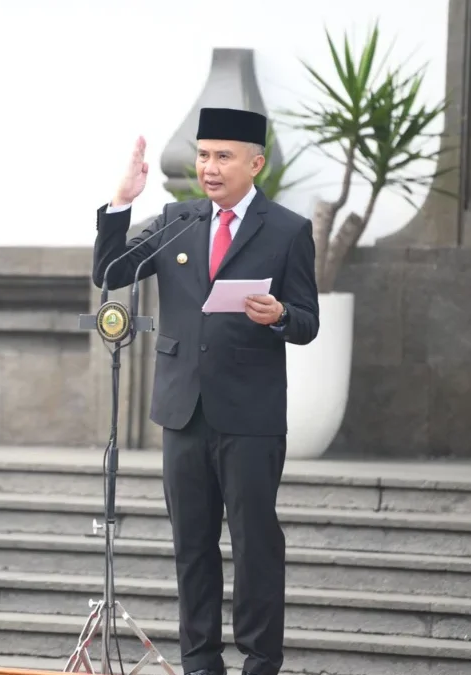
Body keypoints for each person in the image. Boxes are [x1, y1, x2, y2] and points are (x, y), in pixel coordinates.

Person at [91, 107, 319, 675]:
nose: (209, 168)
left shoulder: (288, 229)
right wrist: (121, 202)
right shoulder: (178, 219)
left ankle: (261, 662)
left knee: (254, 544)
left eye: (223, 156)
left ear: (255, 163)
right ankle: (200, 663)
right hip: (183, 412)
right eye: (203, 155)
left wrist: (281, 315)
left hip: (250, 416)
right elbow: (112, 272)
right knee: (192, 546)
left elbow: (309, 321)